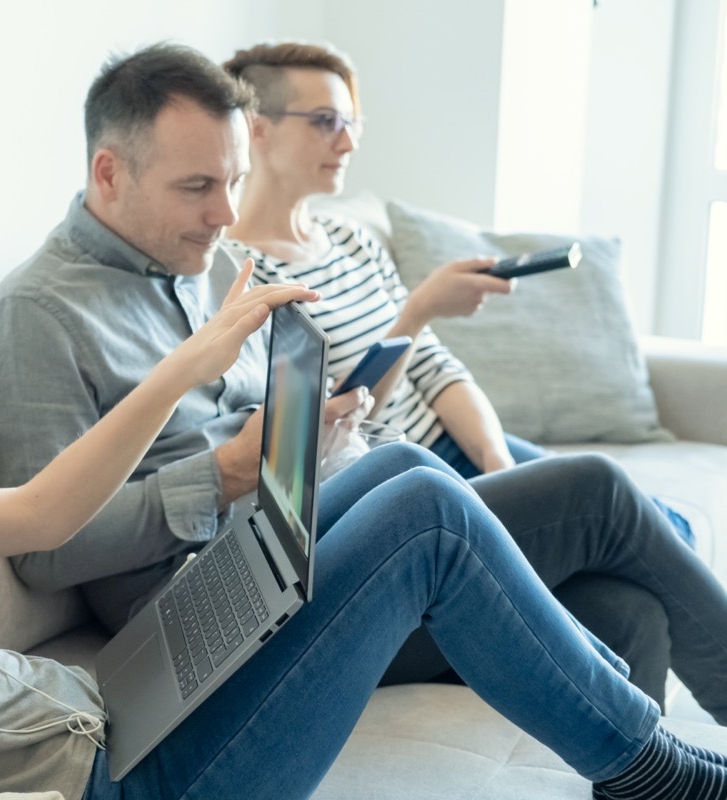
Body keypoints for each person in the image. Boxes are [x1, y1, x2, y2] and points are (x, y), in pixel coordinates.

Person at [0, 252, 727, 800]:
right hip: (127, 776)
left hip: (123, 691)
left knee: (393, 462)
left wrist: (186, 368)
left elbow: (41, 511)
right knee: (431, 516)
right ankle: (662, 772)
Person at [0, 41, 727, 721]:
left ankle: (645, 783)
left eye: (233, 180)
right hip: (207, 613)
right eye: (197, 187)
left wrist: (311, 432)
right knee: (589, 488)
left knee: (625, 609)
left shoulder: (194, 264)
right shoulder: (36, 318)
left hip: (295, 532)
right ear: (108, 172)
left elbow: (256, 421)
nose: (225, 213)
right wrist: (223, 474)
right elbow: (41, 550)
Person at [218, 41, 693, 544]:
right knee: (627, 545)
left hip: (461, 441)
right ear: (256, 128)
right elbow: (336, 433)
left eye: (352, 123)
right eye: (325, 121)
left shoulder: (349, 239)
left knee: (665, 525)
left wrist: (497, 463)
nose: (348, 142)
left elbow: (434, 367)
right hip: (400, 481)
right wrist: (417, 313)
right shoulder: (247, 275)